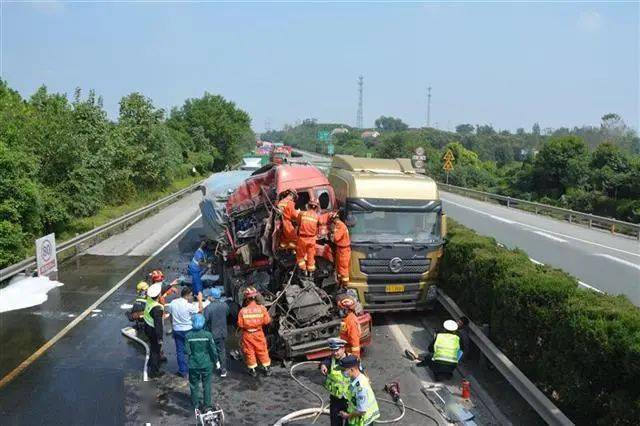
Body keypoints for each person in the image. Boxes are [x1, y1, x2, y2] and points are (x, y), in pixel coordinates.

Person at [165, 287, 203, 378]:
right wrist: (200, 300)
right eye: (190, 295)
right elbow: (200, 310)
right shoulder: (189, 306)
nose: (191, 297)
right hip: (188, 330)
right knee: (193, 350)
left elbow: (169, 312)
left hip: (177, 329)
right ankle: (194, 369)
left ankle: (183, 371)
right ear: (187, 295)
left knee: (180, 351)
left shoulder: (173, 303)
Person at [185, 313, 219, 412]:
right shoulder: (208, 335)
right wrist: (216, 361)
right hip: (206, 363)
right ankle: (207, 403)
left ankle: (195, 403)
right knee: (207, 384)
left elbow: (187, 351)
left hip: (193, 363)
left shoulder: (188, 335)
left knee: (194, 384)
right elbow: (213, 350)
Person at [237, 286, 272, 377]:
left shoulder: (242, 311)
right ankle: (267, 369)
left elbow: (240, 324)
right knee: (262, 350)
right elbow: (267, 321)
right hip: (258, 333)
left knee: (249, 351)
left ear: (246, 298)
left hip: (248, 334)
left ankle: (252, 370)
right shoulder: (262, 308)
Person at [338, 355, 380, 426]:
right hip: (357, 416)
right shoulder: (355, 377)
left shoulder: (361, 387)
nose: (342, 372)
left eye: (343, 370)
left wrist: (347, 416)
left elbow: (362, 411)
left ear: (352, 370)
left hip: (362, 421)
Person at [320, 338, 350, 426]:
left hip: (349, 400)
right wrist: (323, 365)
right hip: (335, 400)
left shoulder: (351, 360)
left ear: (343, 348)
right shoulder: (331, 360)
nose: (334, 353)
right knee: (335, 423)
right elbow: (325, 361)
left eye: (337, 350)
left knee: (350, 422)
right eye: (332, 351)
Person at [204, 287, 229, 377]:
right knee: (222, 350)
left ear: (212, 297)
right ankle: (223, 370)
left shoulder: (208, 308)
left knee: (212, 350)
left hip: (212, 333)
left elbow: (205, 320)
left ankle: (216, 364)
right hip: (222, 332)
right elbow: (227, 314)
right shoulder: (225, 305)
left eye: (209, 296)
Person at [295, 200, 322, 278]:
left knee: (300, 256)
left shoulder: (302, 214)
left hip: (302, 238)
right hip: (312, 239)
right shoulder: (317, 217)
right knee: (311, 255)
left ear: (308, 206)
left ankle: (303, 271)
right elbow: (319, 226)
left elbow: (298, 223)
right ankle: (311, 273)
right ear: (316, 208)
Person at [143, 283, 165, 378]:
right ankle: (154, 371)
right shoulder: (157, 308)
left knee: (152, 347)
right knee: (155, 350)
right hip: (154, 331)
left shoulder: (149, 300)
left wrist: (171, 285)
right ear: (159, 295)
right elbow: (158, 325)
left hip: (147, 327)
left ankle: (151, 363)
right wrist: (160, 338)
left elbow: (160, 292)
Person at [329, 212, 351, 287]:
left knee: (343, 269)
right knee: (339, 268)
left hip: (343, 250)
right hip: (341, 249)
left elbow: (336, 238)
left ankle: (344, 286)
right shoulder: (341, 225)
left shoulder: (340, 225)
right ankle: (340, 284)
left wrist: (333, 231)